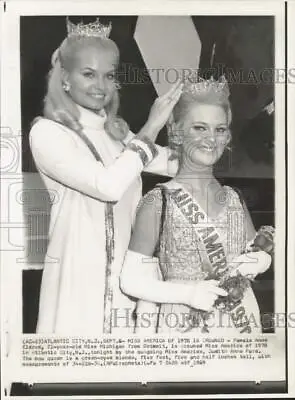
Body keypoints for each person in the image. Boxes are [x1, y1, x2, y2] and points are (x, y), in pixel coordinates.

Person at [29, 17, 183, 334]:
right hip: (77, 276)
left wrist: (196, 124)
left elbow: (175, 165)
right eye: (88, 74)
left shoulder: (118, 133)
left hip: (126, 276)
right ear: (65, 78)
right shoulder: (48, 133)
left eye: (109, 75)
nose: (101, 86)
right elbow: (108, 185)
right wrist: (151, 127)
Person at [120, 75, 272, 335]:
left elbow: (254, 251)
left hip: (240, 322)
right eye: (199, 128)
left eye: (220, 129)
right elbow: (130, 280)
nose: (211, 138)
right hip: (183, 324)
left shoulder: (234, 198)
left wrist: (261, 260)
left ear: (228, 137)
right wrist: (189, 293)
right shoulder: (159, 201)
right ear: (176, 133)